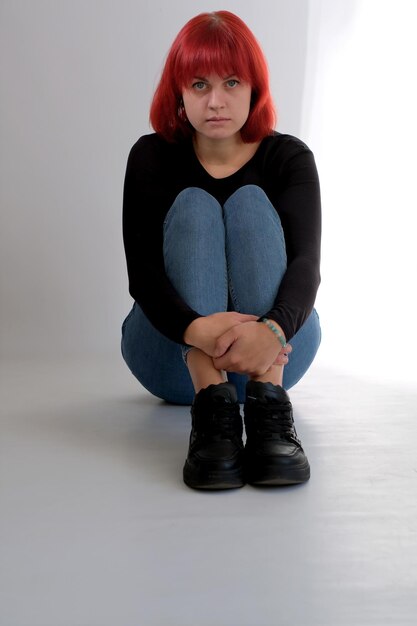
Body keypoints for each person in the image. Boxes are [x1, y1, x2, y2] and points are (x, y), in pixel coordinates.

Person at [121, 11, 321, 490]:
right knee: (194, 204)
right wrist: (198, 333)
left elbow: (306, 267)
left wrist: (271, 332)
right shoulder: (151, 157)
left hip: (278, 351)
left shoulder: (289, 157)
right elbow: (142, 274)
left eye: (232, 82)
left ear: (254, 88)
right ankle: (211, 408)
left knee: (251, 203)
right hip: (171, 354)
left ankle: (269, 409)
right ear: (179, 92)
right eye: (199, 84)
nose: (216, 101)